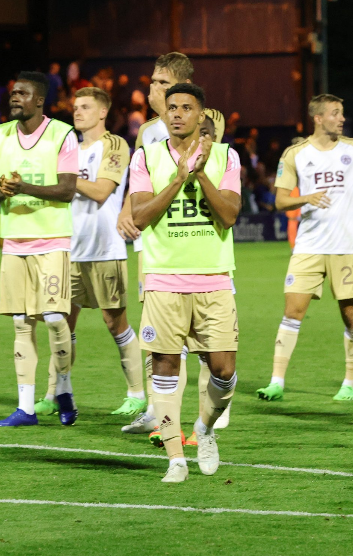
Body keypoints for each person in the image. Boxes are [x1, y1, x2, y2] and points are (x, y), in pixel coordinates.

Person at [129, 83, 241, 482]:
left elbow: (228, 215)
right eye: (171, 108)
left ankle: (205, 429)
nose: (176, 114)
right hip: (163, 280)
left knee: (224, 371)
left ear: (201, 116)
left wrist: (199, 177)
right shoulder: (145, 157)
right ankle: (175, 458)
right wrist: (177, 181)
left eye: (185, 108)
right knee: (165, 367)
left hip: (213, 279)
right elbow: (139, 216)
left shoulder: (227, 156)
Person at [118, 52, 227, 437]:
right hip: (154, 238)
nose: (154, 89)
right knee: (158, 326)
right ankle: (157, 408)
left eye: (162, 83)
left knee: (197, 334)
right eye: (152, 82)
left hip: (193, 237)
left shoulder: (207, 120)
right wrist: (123, 212)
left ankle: (208, 411)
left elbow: (209, 167)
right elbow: (139, 178)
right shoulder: (148, 131)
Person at [33, 86, 143, 418]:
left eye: (84, 107)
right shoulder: (68, 149)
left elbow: (100, 191)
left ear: (102, 112)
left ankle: (137, 393)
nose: (77, 111)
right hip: (69, 249)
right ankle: (55, 392)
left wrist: (66, 179)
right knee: (62, 324)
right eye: (75, 107)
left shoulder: (115, 145)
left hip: (105, 248)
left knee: (115, 323)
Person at [255, 94, 353, 402]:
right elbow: (279, 200)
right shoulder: (296, 154)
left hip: (345, 246)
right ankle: (276, 381)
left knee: (350, 313)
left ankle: (350, 382)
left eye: (342, 113)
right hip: (308, 246)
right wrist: (306, 197)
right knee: (293, 311)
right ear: (318, 118)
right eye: (335, 113)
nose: (341, 118)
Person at [0, 71, 80, 427]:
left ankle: (64, 387)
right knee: (22, 323)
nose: (14, 98)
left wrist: (23, 186)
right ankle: (25, 408)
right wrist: (4, 190)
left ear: (39, 101)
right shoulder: (0, 136)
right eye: (12, 92)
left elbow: (68, 190)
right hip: (13, 243)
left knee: (55, 318)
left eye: (22, 93)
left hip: (53, 240)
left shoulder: (62, 134)